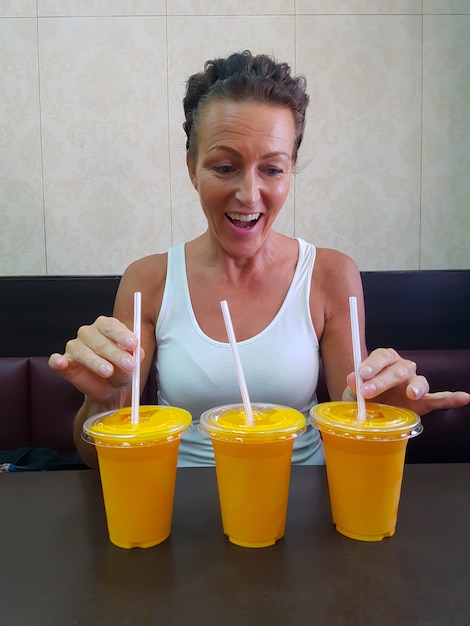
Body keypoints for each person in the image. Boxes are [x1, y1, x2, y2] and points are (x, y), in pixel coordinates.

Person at [49, 50, 470, 469]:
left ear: (291, 171)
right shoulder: (149, 280)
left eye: (272, 170)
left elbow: (354, 415)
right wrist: (101, 402)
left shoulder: (329, 274)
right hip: (182, 511)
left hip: (304, 506)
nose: (249, 195)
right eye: (225, 166)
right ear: (192, 169)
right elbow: (98, 456)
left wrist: (381, 415)